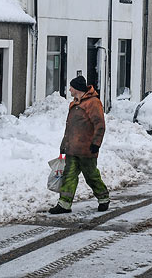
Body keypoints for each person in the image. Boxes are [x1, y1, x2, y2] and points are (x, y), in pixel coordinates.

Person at [49, 75, 110, 214]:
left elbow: (100, 125)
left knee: (91, 176)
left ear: (77, 89)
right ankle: (64, 204)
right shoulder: (74, 104)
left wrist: (96, 143)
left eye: (71, 87)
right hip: (72, 149)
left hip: (87, 149)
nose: (69, 89)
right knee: (68, 176)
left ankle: (103, 198)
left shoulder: (93, 103)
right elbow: (70, 127)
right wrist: (64, 144)